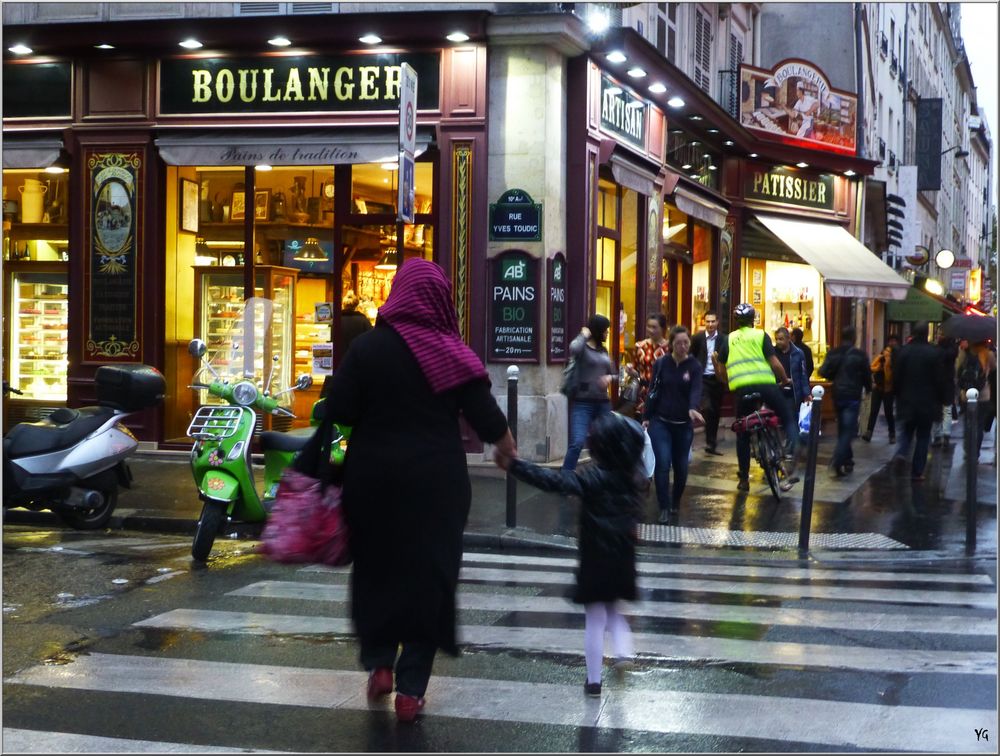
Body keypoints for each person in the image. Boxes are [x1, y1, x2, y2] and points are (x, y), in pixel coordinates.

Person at [322, 259, 516, 723]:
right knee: (429, 580)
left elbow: (340, 415)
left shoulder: (367, 349)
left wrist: (334, 466)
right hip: (436, 486)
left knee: (377, 572)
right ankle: (411, 691)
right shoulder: (449, 351)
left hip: (373, 482)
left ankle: (380, 662)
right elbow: (487, 416)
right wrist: (505, 448)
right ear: (440, 300)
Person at [494, 411, 644, 698]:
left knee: (594, 619)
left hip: (595, 558)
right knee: (613, 609)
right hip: (623, 557)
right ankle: (624, 650)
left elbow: (554, 482)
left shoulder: (591, 478)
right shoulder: (631, 479)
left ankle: (593, 680)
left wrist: (515, 466)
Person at [714, 303, 798, 493]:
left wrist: (728, 383)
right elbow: (774, 362)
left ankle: (744, 479)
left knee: (743, 433)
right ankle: (791, 457)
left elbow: (719, 370)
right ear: (753, 320)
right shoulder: (761, 335)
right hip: (766, 386)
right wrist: (785, 379)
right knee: (787, 416)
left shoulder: (728, 339)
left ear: (736, 322)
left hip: (742, 390)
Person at [643, 325, 704, 523]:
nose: (683, 346)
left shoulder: (694, 366)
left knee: (681, 467)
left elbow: (696, 390)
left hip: (683, 424)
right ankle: (664, 507)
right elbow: (653, 389)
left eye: (686, 342)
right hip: (660, 421)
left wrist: (693, 407)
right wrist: (646, 416)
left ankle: (675, 501)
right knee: (662, 464)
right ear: (671, 344)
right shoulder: (661, 363)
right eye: (679, 343)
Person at [892, 321, 947, 481]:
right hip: (927, 403)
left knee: (907, 431)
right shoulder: (934, 353)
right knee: (923, 437)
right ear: (926, 334)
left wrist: (897, 395)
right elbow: (939, 380)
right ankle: (917, 471)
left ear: (914, 334)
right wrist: (942, 399)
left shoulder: (904, 352)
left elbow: (897, 377)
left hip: (907, 400)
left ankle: (901, 453)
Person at [564, 315, 617, 471]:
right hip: (583, 403)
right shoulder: (583, 349)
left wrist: (610, 377)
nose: (607, 334)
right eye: (605, 330)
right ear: (597, 331)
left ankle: (604, 478)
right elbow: (573, 348)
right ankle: (565, 480)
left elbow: (615, 374)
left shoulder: (604, 351)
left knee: (607, 442)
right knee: (577, 443)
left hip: (603, 404)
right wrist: (583, 335)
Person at [818, 326, 871, 477]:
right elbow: (867, 375)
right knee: (848, 430)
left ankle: (847, 460)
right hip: (852, 395)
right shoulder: (860, 355)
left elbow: (823, 371)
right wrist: (868, 388)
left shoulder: (834, 353)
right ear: (854, 338)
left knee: (843, 428)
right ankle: (838, 459)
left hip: (838, 394)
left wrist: (834, 375)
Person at [690, 311, 728, 455]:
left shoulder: (724, 339)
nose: (710, 324)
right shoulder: (698, 338)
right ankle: (709, 440)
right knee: (708, 408)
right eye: (707, 322)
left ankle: (711, 444)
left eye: (713, 321)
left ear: (717, 322)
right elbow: (691, 355)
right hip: (702, 378)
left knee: (716, 411)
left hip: (717, 379)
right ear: (704, 322)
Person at [625, 313, 669, 420]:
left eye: (654, 327)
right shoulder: (640, 346)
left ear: (663, 328)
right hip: (643, 393)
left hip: (664, 393)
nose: (651, 330)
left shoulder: (669, 348)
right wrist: (630, 371)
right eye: (649, 326)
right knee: (641, 426)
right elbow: (637, 371)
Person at [862, 334, 899, 444]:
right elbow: (872, 367)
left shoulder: (896, 357)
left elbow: (890, 374)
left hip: (888, 388)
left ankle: (891, 433)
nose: (892, 344)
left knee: (888, 412)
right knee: (875, 411)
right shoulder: (882, 355)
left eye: (894, 341)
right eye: (891, 341)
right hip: (880, 387)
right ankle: (870, 432)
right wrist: (879, 367)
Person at [337, 290, 372, 355]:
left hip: (339, 354)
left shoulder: (337, 320)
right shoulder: (363, 320)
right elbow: (370, 339)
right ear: (356, 305)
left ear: (343, 305)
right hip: (358, 355)